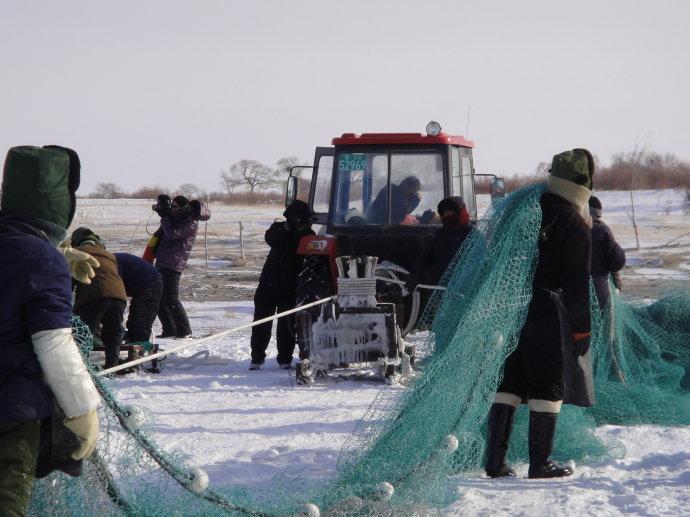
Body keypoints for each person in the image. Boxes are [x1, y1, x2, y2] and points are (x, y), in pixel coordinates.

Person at [0, 145, 100, 516]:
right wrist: (82, 409)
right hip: (11, 413)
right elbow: (53, 341)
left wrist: (57, 256)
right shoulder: (39, 259)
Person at [485, 148, 595, 479]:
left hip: (512, 310)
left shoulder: (528, 209)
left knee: (512, 380)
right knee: (548, 383)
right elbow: (576, 283)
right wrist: (581, 329)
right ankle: (540, 462)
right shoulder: (574, 222)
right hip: (548, 312)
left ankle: (494, 460)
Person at [249, 200, 315, 370]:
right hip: (269, 282)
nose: (294, 221)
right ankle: (257, 358)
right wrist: (286, 230)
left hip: (291, 285)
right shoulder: (278, 229)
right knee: (261, 321)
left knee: (287, 324)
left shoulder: (309, 235)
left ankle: (285, 359)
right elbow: (270, 239)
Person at [151, 195, 210, 339]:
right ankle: (169, 329)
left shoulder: (190, 222)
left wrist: (165, 217)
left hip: (174, 264)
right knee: (159, 298)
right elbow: (161, 232)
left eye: (174, 206)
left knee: (171, 298)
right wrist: (163, 212)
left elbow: (172, 234)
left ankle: (185, 330)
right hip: (163, 261)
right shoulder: (176, 217)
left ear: (184, 207)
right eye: (171, 205)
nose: (172, 209)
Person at [71, 228, 128, 370]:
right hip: (119, 295)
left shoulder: (78, 253)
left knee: (82, 331)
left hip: (94, 294)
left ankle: (79, 366)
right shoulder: (109, 255)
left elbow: (70, 280)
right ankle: (112, 366)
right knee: (113, 332)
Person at [407, 196, 474, 289]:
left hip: (466, 289)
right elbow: (428, 257)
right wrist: (416, 274)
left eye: (451, 214)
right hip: (441, 289)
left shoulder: (473, 236)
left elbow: (480, 265)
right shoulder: (441, 235)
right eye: (444, 214)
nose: (447, 217)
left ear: (461, 213)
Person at [115, 252, 163, 344]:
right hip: (140, 283)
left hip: (151, 281)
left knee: (142, 320)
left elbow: (117, 299)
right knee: (134, 317)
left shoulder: (110, 267)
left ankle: (140, 349)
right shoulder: (108, 263)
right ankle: (133, 342)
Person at [589, 196, 626, 308]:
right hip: (599, 291)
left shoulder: (571, 227)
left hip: (573, 291)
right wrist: (617, 284)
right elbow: (615, 261)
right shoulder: (603, 230)